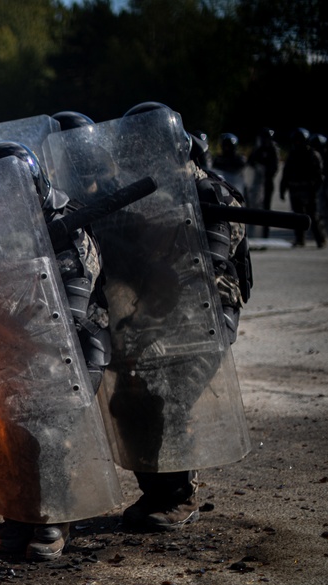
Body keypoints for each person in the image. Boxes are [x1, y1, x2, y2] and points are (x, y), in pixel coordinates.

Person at [110, 102, 252, 531]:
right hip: (156, 312)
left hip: (205, 318)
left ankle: (178, 496)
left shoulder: (209, 194)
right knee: (128, 400)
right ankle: (157, 491)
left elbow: (203, 275)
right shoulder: (148, 192)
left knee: (169, 397)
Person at [0, 142, 113, 561]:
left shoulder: (69, 229)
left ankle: (54, 513)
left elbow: (64, 316)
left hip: (71, 349)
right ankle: (19, 511)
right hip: (13, 346)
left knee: (49, 421)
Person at [280, 128, 326, 248]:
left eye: (299, 141)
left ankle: (320, 239)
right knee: (297, 216)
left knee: (313, 216)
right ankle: (300, 239)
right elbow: (286, 173)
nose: (297, 143)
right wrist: (282, 188)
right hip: (295, 190)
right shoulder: (292, 154)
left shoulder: (313, 155)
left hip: (309, 191)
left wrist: (314, 190)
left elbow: (319, 175)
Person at [247, 127, 279, 236]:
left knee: (266, 208)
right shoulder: (258, 149)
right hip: (257, 182)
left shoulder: (273, 149)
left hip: (267, 183)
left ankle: (265, 233)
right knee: (254, 205)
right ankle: (253, 231)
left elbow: (275, 167)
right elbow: (250, 162)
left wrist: (266, 172)